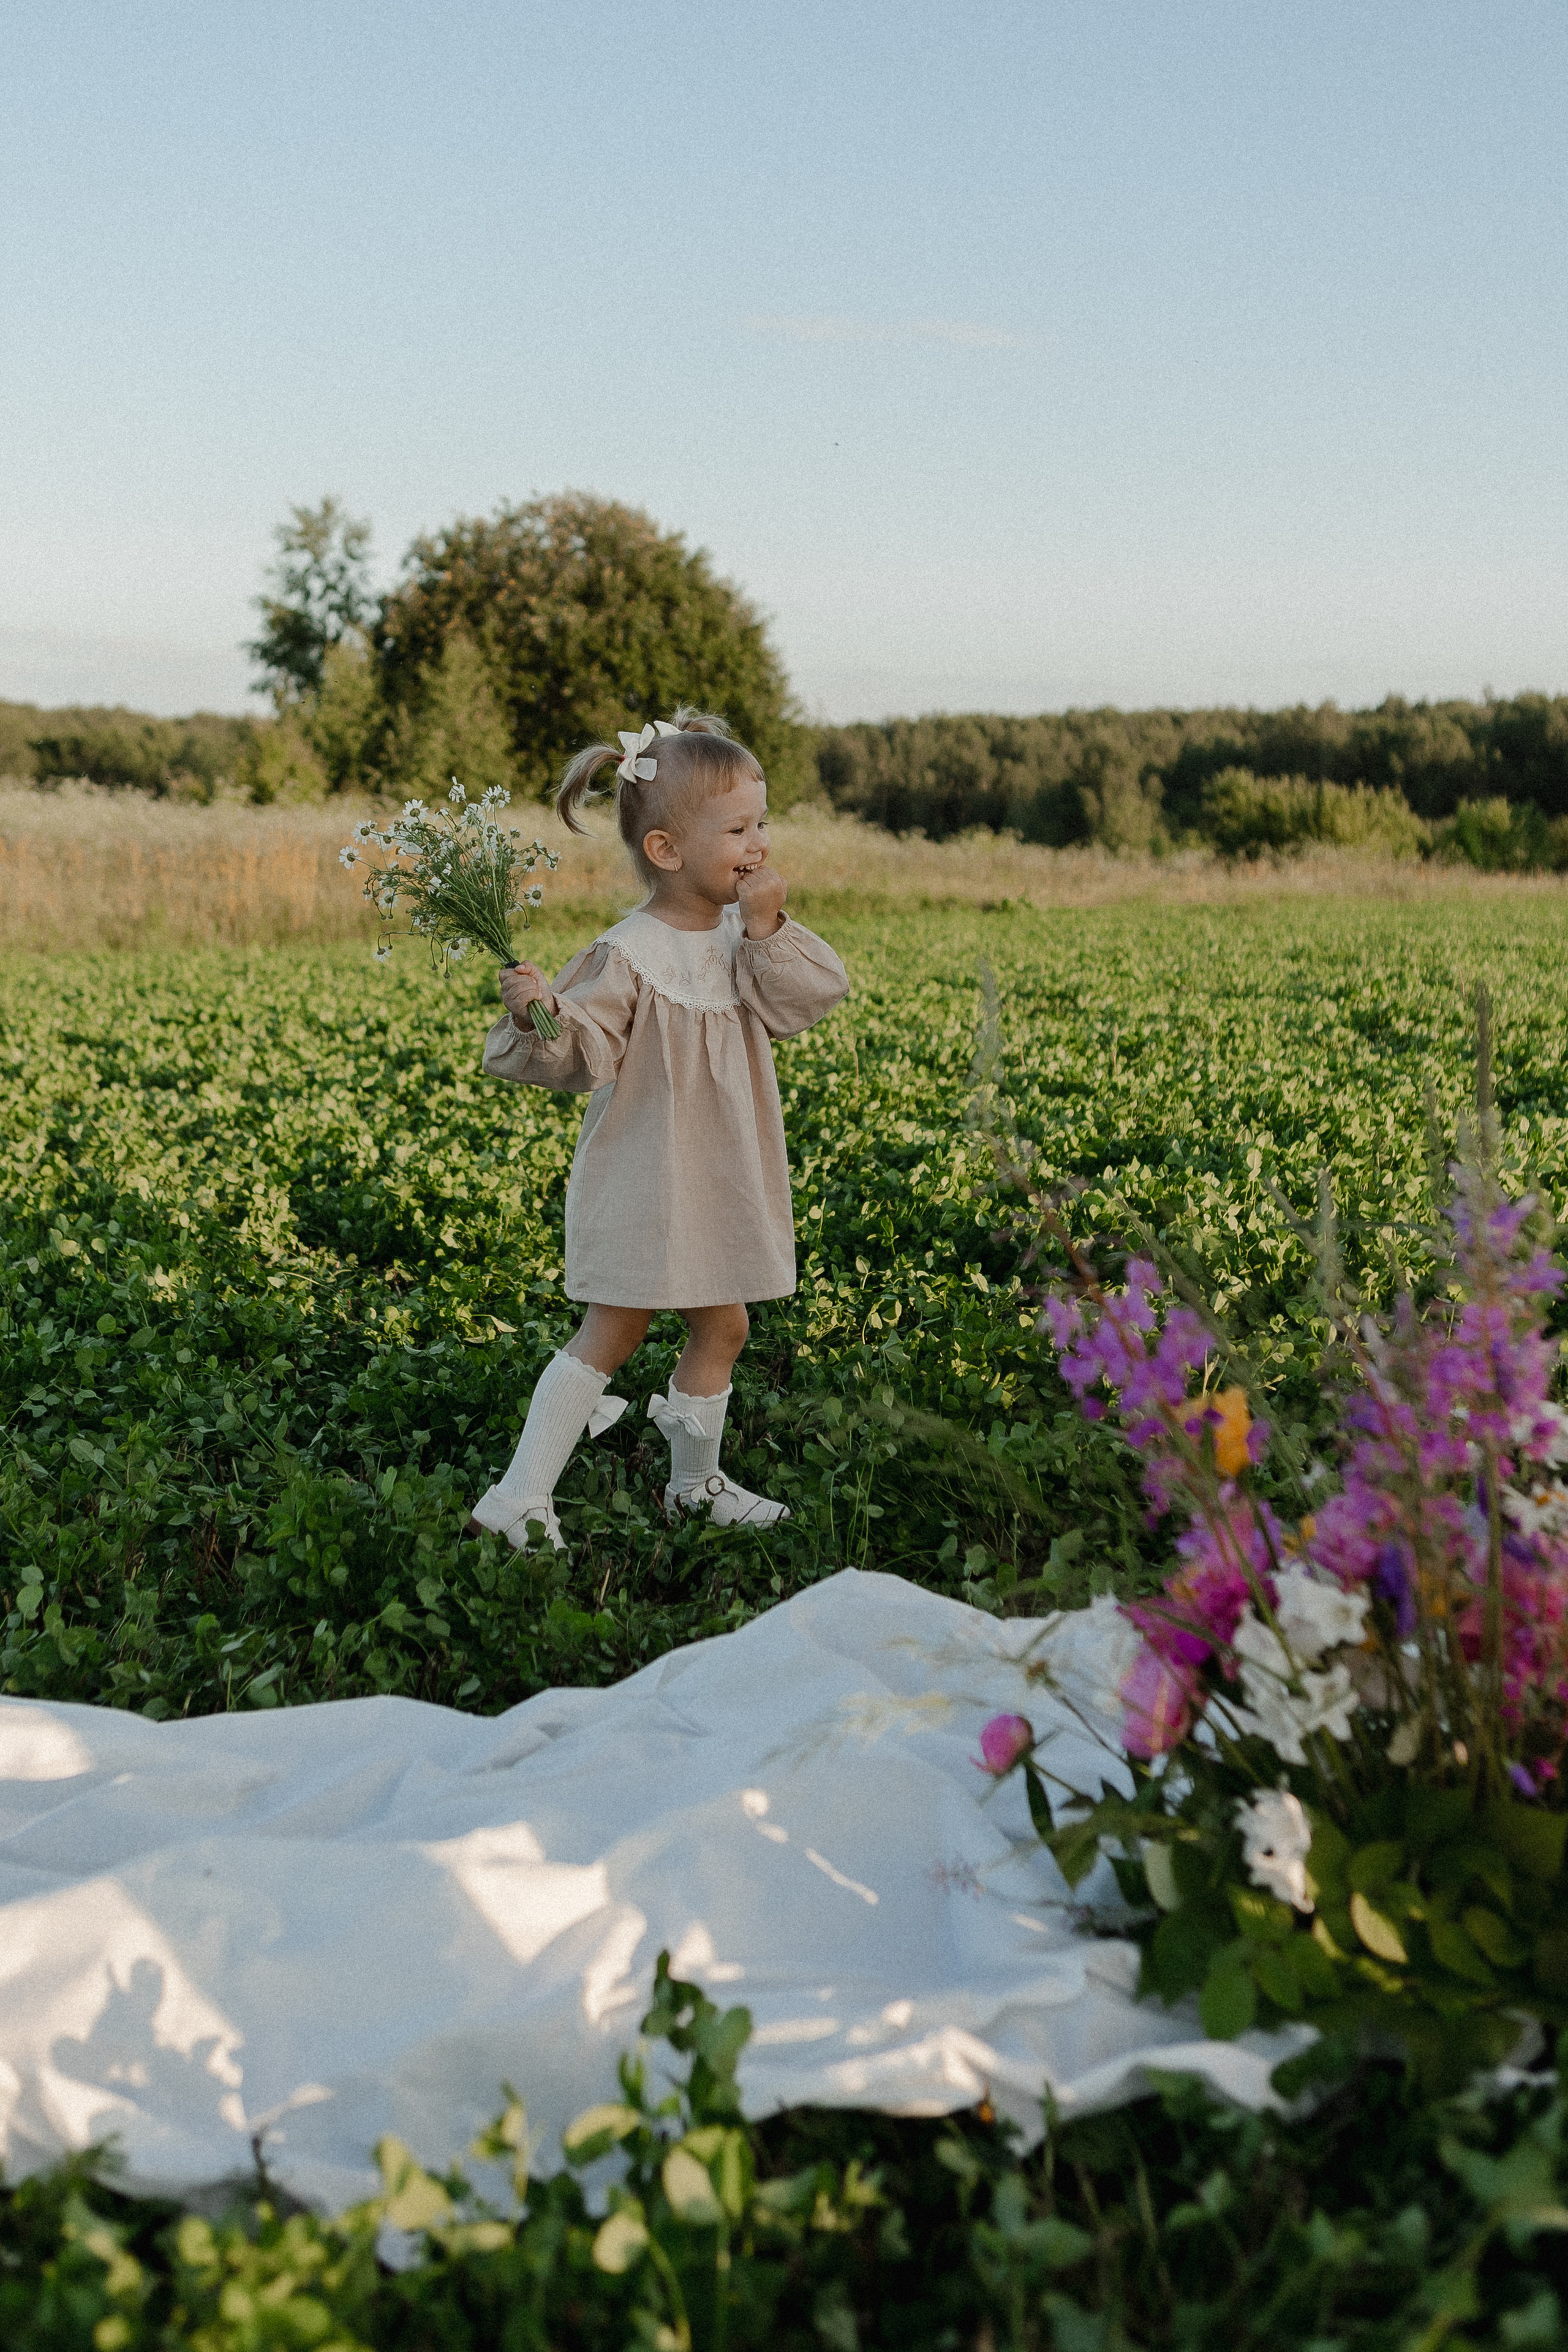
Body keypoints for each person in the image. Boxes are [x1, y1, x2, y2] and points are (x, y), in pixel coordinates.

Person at [468, 708, 849, 1549]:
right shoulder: (629, 951)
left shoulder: (741, 938)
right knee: (617, 1326)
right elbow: (578, 1051)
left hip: (719, 1172)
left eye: (763, 824)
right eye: (738, 828)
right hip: (649, 1172)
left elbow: (809, 997)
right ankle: (518, 1496)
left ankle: (694, 1486)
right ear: (667, 851)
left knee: (725, 1325)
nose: (759, 844)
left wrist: (767, 927)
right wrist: (541, 1013)